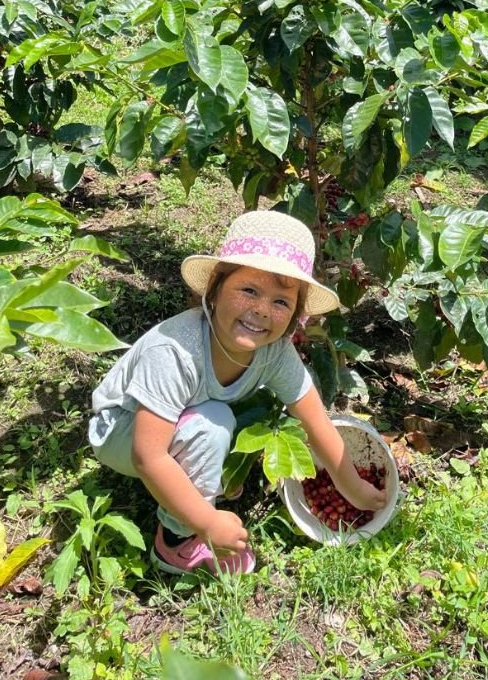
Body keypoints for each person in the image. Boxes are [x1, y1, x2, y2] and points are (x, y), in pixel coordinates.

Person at [89, 210, 387, 576]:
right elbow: (148, 457)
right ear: (214, 289)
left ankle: (197, 473)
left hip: (176, 420)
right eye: (249, 291)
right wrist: (207, 521)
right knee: (211, 425)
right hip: (121, 430)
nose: (261, 311)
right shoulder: (175, 351)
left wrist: (352, 485)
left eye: (281, 302)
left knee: (216, 419)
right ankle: (176, 541)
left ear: (296, 316)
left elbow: (314, 418)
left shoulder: (274, 352)